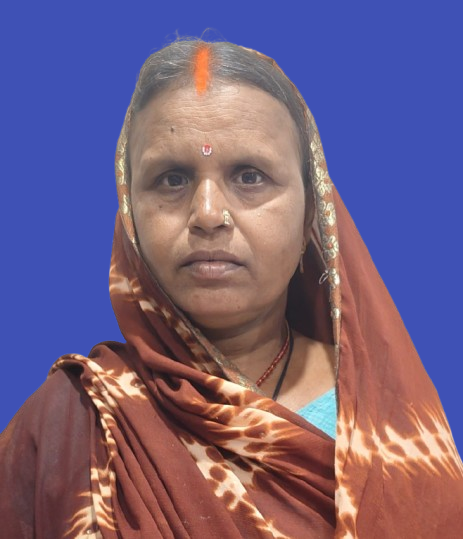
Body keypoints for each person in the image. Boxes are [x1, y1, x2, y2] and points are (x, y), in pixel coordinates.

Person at [1, 39, 462, 538]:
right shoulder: (71, 424)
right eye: (172, 179)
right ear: (130, 215)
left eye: (249, 176)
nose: (207, 214)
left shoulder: (386, 416)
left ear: (310, 214)